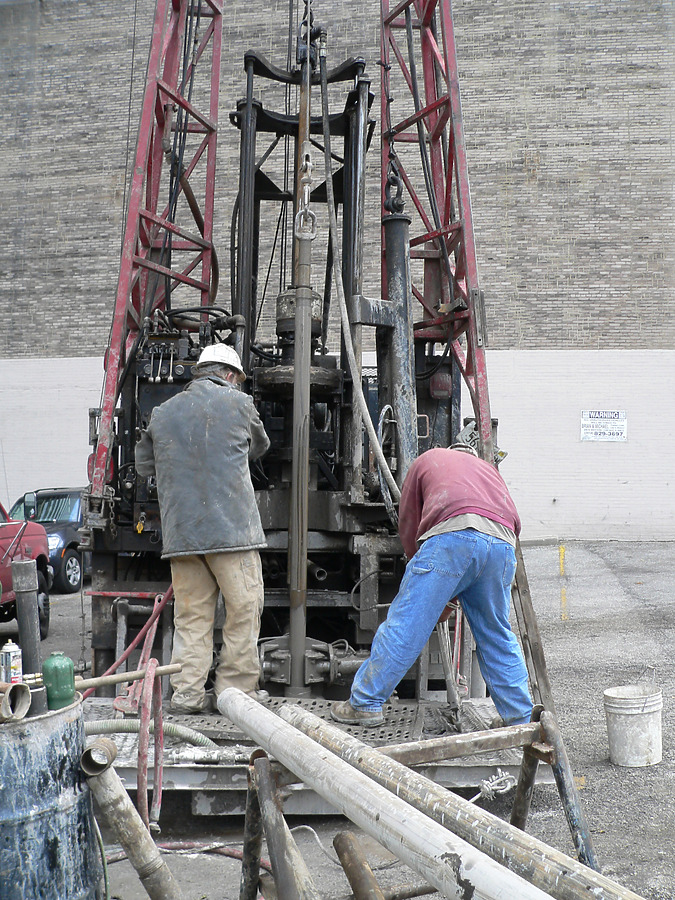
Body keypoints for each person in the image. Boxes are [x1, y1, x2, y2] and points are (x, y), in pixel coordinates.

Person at [331, 444, 533, 727]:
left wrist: (422, 573)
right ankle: (520, 718)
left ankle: (365, 702)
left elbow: (409, 520)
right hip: (502, 545)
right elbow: (510, 520)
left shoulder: (427, 460)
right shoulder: (488, 471)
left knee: (407, 625)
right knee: (496, 634)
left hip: (452, 538)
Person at [135, 344, 270, 713]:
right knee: (244, 608)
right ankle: (235, 693)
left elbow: (145, 466)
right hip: (232, 535)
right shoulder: (238, 404)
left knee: (191, 617)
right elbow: (260, 446)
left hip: (183, 538)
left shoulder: (162, 414)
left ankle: (187, 696)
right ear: (229, 376)